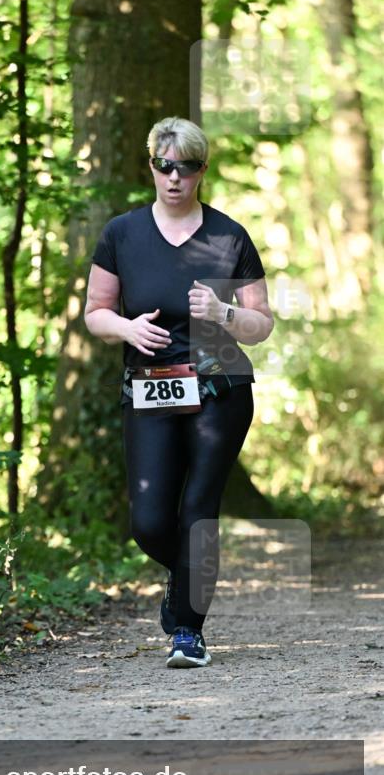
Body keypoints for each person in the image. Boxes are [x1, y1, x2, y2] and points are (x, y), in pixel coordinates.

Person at [84, 116, 274, 668]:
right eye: (164, 166)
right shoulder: (122, 233)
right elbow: (95, 312)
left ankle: (188, 632)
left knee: (198, 509)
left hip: (221, 387)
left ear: (201, 171)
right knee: (148, 520)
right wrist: (126, 328)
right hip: (150, 388)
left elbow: (261, 326)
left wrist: (225, 312)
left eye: (186, 167)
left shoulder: (228, 236)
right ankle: (186, 576)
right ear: (151, 166)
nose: (174, 177)